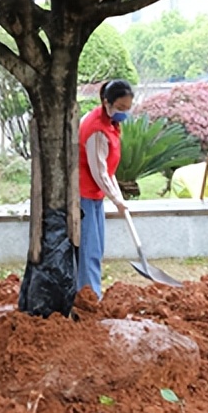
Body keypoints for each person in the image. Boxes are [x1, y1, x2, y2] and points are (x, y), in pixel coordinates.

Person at [77, 79, 133, 299]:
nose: (124, 113)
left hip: (96, 194)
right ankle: (89, 296)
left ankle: (91, 292)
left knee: (97, 247)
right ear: (106, 102)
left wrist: (118, 198)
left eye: (127, 109)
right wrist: (117, 200)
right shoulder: (96, 129)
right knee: (89, 249)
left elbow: (107, 171)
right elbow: (99, 172)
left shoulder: (110, 123)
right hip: (85, 194)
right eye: (120, 108)